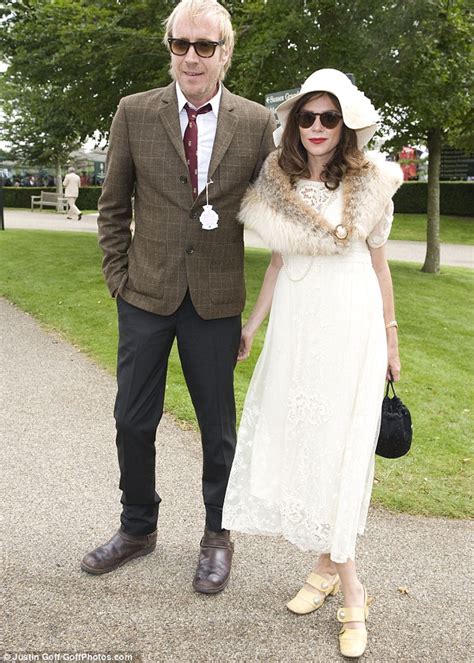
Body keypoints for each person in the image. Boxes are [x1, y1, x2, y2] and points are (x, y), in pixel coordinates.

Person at [81, 0, 275, 595]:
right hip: (144, 294)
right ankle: (137, 528)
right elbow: (112, 206)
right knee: (132, 421)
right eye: (181, 44)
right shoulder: (134, 112)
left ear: (225, 51)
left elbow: (280, 201)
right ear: (169, 47)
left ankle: (218, 535)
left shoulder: (256, 121)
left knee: (218, 429)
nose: (192, 56)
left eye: (205, 46)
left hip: (215, 302)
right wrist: (120, 277)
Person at [222, 69, 403, 657]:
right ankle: (325, 567)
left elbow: (380, 270)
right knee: (307, 446)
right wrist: (252, 326)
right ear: (294, 124)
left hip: (352, 328)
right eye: (308, 117)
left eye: (330, 117)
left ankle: (352, 590)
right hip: (300, 333)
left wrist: (391, 341)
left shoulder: (372, 182)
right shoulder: (280, 187)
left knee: (340, 451)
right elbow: (276, 267)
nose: (319, 127)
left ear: (345, 123)